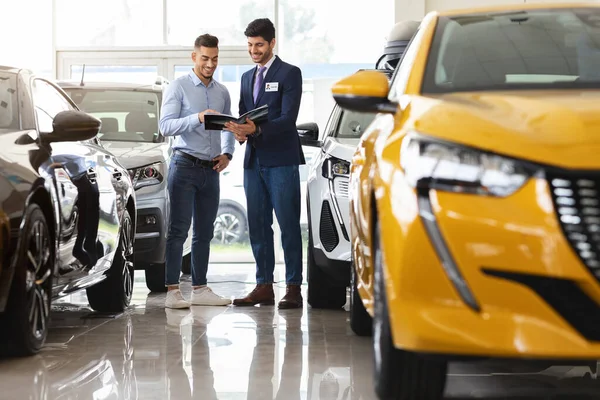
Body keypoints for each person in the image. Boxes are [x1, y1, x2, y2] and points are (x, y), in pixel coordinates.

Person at [224, 18, 305, 309]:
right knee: (258, 225)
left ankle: (293, 287)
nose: (254, 50)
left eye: (259, 45)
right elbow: (244, 112)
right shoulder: (247, 77)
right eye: (249, 45)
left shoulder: (289, 73)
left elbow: (287, 119)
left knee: (287, 224)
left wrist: (256, 130)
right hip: (254, 160)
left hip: (282, 160)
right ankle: (264, 286)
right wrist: (238, 130)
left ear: (272, 43)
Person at [159, 33, 235, 309]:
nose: (210, 64)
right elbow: (165, 126)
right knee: (178, 230)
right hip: (184, 165)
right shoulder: (178, 87)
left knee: (205, 231)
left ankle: (200, 288)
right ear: (194, 57)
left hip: (211, 170)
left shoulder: (221, 91)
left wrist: (228, 153)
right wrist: (197, 118)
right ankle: (172, 291)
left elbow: (228, 127)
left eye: (214, 59)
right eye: (205, 58)